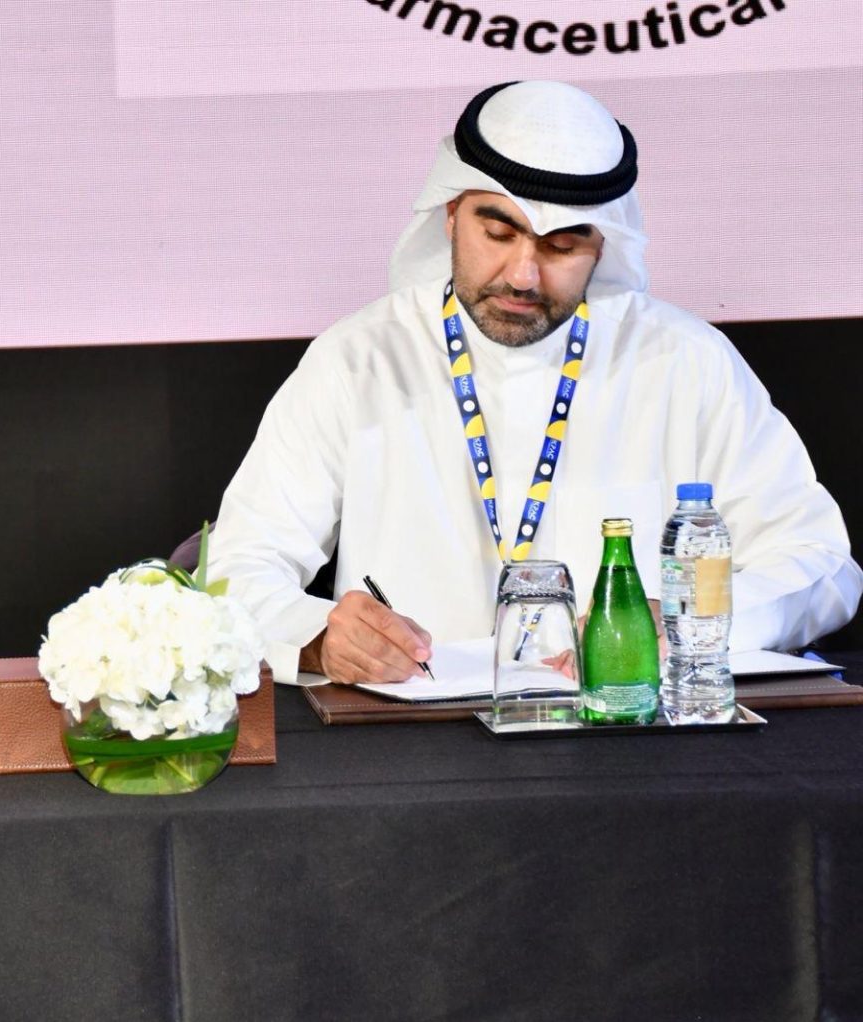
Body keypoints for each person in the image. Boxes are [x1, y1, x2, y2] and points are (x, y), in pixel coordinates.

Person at [209, 80, 861, 685]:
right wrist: (321, 637)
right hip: (412, 741)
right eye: (498, 232)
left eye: (562, 246)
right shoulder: (358, 359)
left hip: (629, 731)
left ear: (602, 245)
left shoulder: (684, 361)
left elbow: (822, 563)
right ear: (450, 215)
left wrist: (686, 621)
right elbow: (238, 569)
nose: (523, 275)